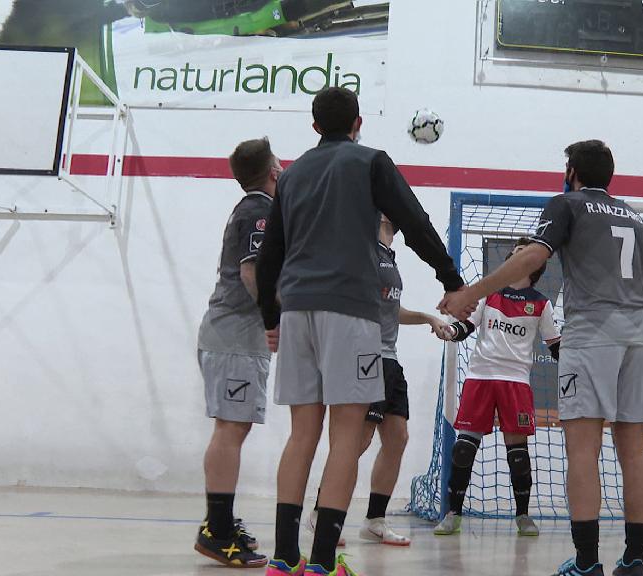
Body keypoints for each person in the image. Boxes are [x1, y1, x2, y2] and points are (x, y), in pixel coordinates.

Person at [439, 140, 643, 576]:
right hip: (638, 338)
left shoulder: (567, 204)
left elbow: (533, 256)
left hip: (591, 334)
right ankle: (634, 561)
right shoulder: (631, 214)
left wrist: (471, 293)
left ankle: (588, 563)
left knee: (583, 451)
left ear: (572, 170)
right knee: (634, 451)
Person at [256, 87, 465, 576]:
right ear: (358, 122)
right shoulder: (371, 161)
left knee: (301, 435)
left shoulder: (291, 175)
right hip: (350, 312)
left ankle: (284, 557)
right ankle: (324, 562)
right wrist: (451, 279)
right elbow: (414, 220)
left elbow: (272, 254)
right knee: (347, 436)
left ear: (314, 128)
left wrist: (270, 317)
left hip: (297, 311)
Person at [432, 237, 561, 538]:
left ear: (534, 265)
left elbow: (555, 345)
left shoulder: (541, 303)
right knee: (463, 448)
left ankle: (523, 516)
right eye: (513, 254)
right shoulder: (488, 295)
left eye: (521, 255)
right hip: (481, 376)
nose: (514, 258)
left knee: (517, 451)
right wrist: (450, 331)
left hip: (515, 381)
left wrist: (578, 358)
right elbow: (466, 327)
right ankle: (454, 513)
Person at [193, 138, 282, 568]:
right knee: (230, 428)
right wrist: (272, 320)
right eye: (279, 163)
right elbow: (252, 272)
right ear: (273, 172)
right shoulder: (258, 210)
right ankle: (217, 528)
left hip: (235, 339)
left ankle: (220, 521)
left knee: (235, 428)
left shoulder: (257, 209)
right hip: (233, 337)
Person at [357, 214, 453, 546]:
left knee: (397, 438)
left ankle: (375, 518)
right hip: (368, 358)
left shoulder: (389, 258)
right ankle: (322, 513)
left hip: (390, 360)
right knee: (357, 440)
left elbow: (391, 310)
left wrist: (428, 317)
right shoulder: (364, 251)